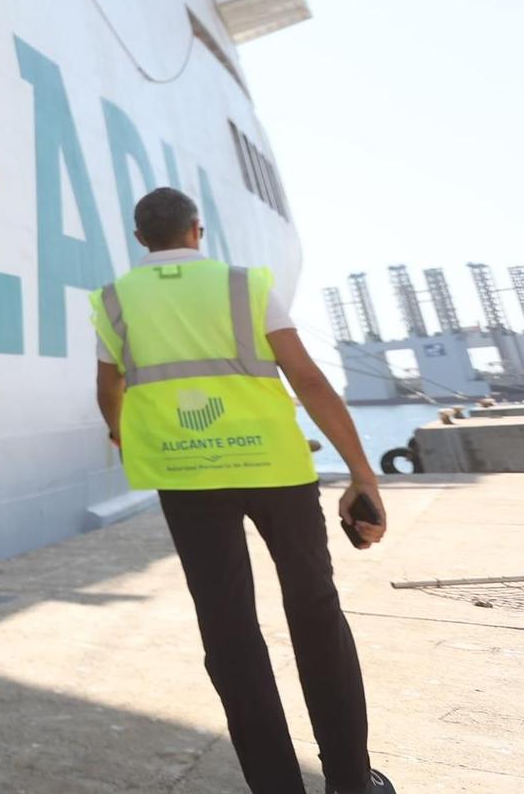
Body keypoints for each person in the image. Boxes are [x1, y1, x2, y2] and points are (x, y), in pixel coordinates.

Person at [90, 187, 394, 794]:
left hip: (185, 477)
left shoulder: (115, 300)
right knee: (314, 611)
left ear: (140, 239)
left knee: (227, 630)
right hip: (275, 470)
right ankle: (350, 783)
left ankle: (277, 786)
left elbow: (108, 388)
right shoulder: (246, 284)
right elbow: (306, 377)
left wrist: (127, 437)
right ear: (196, 231)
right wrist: (362, 473)